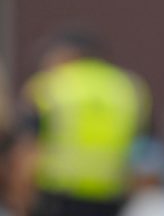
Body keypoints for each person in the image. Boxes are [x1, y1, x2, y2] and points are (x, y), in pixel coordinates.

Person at [19, 30, 151, 216]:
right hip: (111, 198)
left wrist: (23, 204)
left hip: (59, 197)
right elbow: (143, 153)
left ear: (69, 54)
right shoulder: (129, 88)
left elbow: (27, 155)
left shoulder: (49, 86)